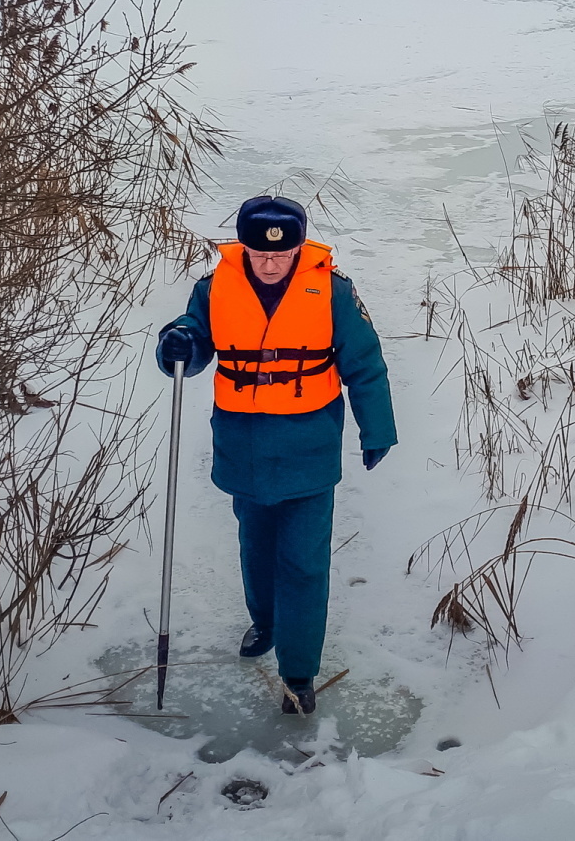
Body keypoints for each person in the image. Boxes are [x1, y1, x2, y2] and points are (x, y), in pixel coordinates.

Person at [154, 195, 397, 714]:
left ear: (297, 248)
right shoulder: (214, 287)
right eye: (259, 253)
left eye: (281, 254)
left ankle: (299, 672)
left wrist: (376, 429)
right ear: (242, 246)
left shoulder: (333, 292)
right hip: (242, 446)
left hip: (308, 447)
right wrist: (178, 343)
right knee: (256, 546)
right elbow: (194, 338)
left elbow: (365, 363)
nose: (269, 263)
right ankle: (264, 621)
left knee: (304, 562)